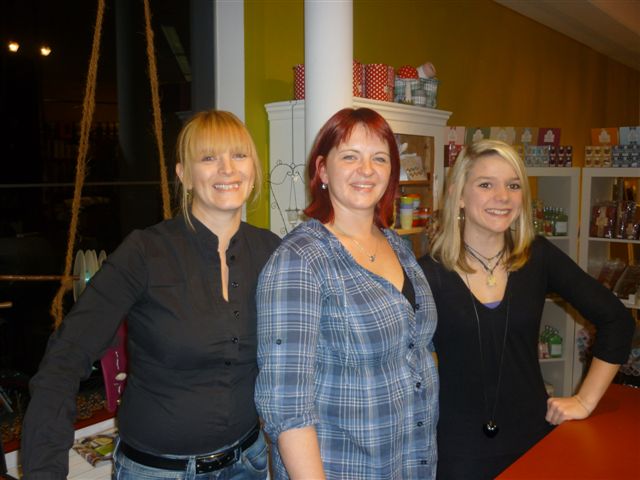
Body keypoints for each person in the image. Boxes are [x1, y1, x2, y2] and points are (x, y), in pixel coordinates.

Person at [21, 110, 281, 479]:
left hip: (247, 463)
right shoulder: (144, 253)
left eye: (239, 155)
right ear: (184, 175)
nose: (227, 169)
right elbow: (64, 359)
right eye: (209, 157)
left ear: (252, 169)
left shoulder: (272, 251)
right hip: (158, 472)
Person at [418, 139, 634, 479]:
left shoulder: (537, 257)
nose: (502, 196)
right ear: (458, 195)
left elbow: (617, 320)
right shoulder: (426, 273)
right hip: (457, 450)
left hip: (532, 437)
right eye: (486, 184)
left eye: (513, 185)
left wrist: (585, 400)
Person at [255, 107, 438, 480]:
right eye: (350, 156)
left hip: (409, 463)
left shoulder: (396, 245)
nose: (366, 169)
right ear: (323, 170)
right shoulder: (300, 260)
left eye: (379, 158)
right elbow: (287, 408)